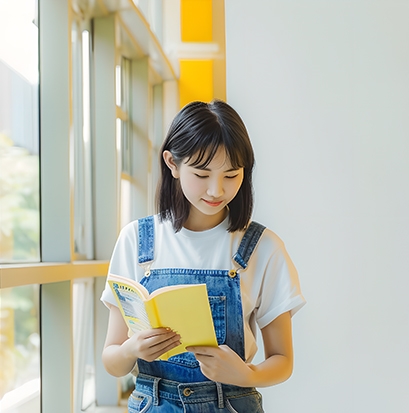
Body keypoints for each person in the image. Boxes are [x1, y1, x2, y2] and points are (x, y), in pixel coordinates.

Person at [100, 100, 305, 412]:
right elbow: (112, 361)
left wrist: (245, 374)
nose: (215, 190)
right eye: (202, 173)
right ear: (172, 163)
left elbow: (283, 361)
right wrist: (132, 349)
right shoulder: (137, 241)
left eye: (231, 175)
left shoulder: (262, 247)